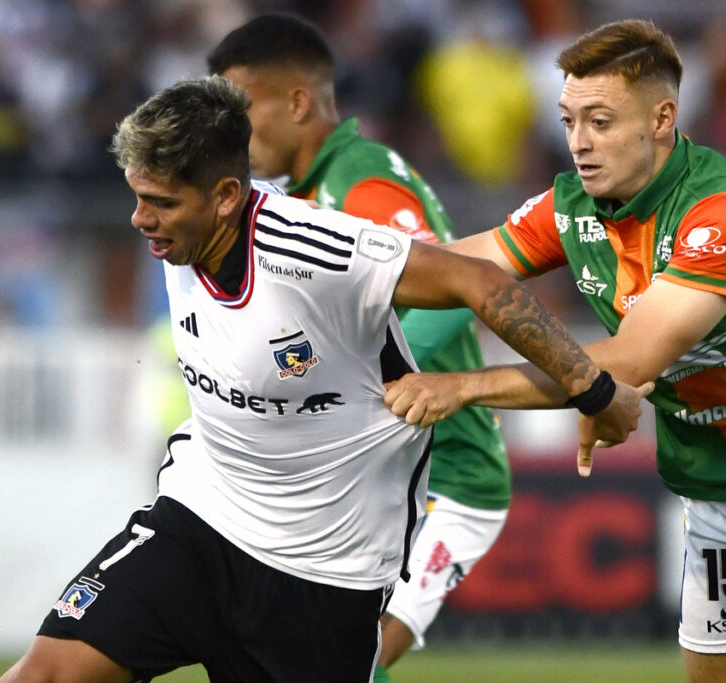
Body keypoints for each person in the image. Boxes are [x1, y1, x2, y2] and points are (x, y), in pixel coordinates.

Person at [0, 75, 650, 683]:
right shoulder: (178, 236)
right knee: (44, 672)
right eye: (138, 197)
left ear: (226, 197)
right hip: (199, 524)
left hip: (322, 575)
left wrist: (593, 391)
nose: (141, 218)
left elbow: (480, 282)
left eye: (161, 202)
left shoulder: (315, 249)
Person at [386, 19, 726, 683]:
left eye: (600, 121)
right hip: (722, 493)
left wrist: (464, 386)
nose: (578, 143)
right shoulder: (569, 206)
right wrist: (339, 273)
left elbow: (631, 360)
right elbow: (459, 266)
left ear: (662, 118)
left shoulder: (724, 211)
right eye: (569, 120)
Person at [204, 13, 514, 681]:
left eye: (241, 108)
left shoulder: (362, 182)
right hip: (373, 479)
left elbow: (456, 296)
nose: (230, 132)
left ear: (297, 102)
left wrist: (348, 386)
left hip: (448, 480)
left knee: (349, 660)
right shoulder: (307, 195)